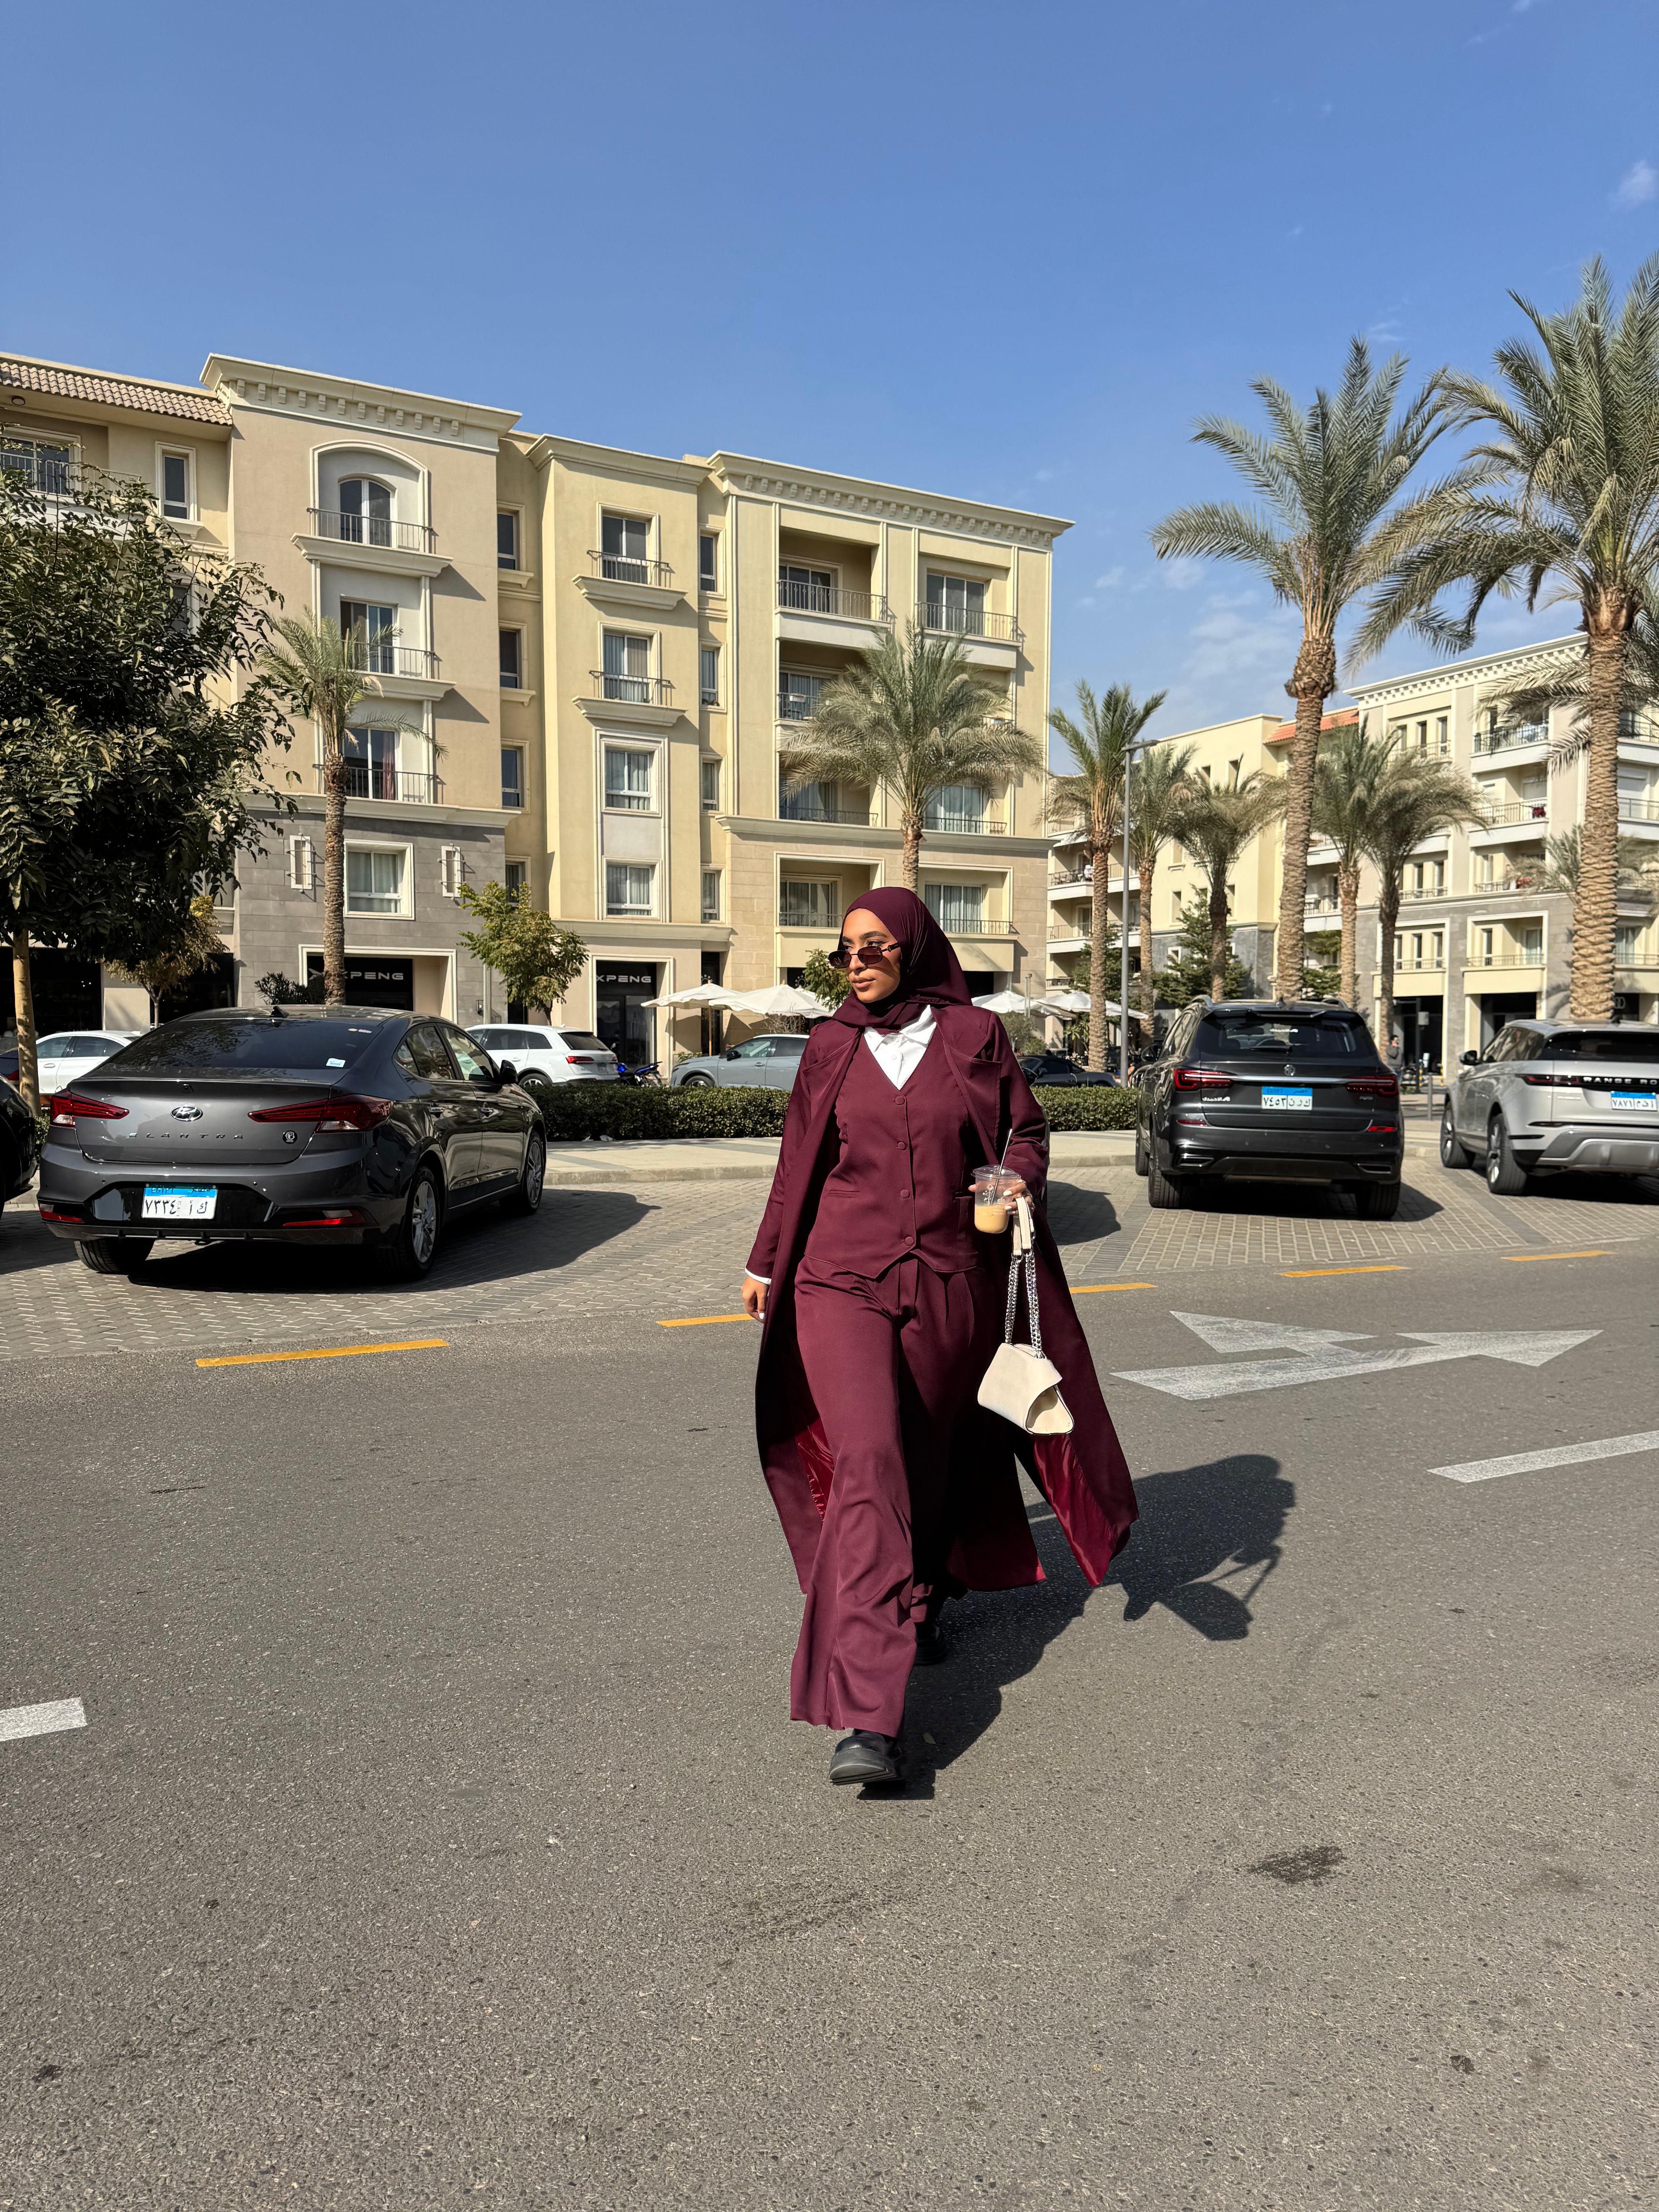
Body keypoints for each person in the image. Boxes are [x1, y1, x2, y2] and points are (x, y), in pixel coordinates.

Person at [741, 888, 1137, 1789]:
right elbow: (797, 1162)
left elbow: (1024, 1130)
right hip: (839, 1281)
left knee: (928, 1459)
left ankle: (916, 1596)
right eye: (845, 951)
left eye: (874, 945)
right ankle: (868, 1718)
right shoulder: (829, 1046)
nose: (857, 962)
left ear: (914, 945)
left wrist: (1011, 1177)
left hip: (953, 1279)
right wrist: (767, 1261)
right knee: (871, 1461)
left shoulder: (973, 1038)